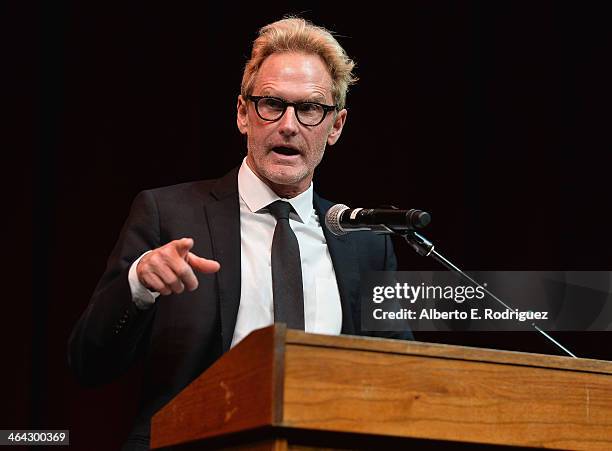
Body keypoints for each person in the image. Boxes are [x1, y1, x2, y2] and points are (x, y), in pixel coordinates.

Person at [68, 16, 411, 450]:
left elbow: (404, 378)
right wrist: (137, 285)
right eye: (271, 104)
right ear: (243, 114)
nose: (288, 125)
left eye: (309, 109)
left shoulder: (367, 244)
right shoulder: (168, 214)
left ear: (336, 126)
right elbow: (88, 364)